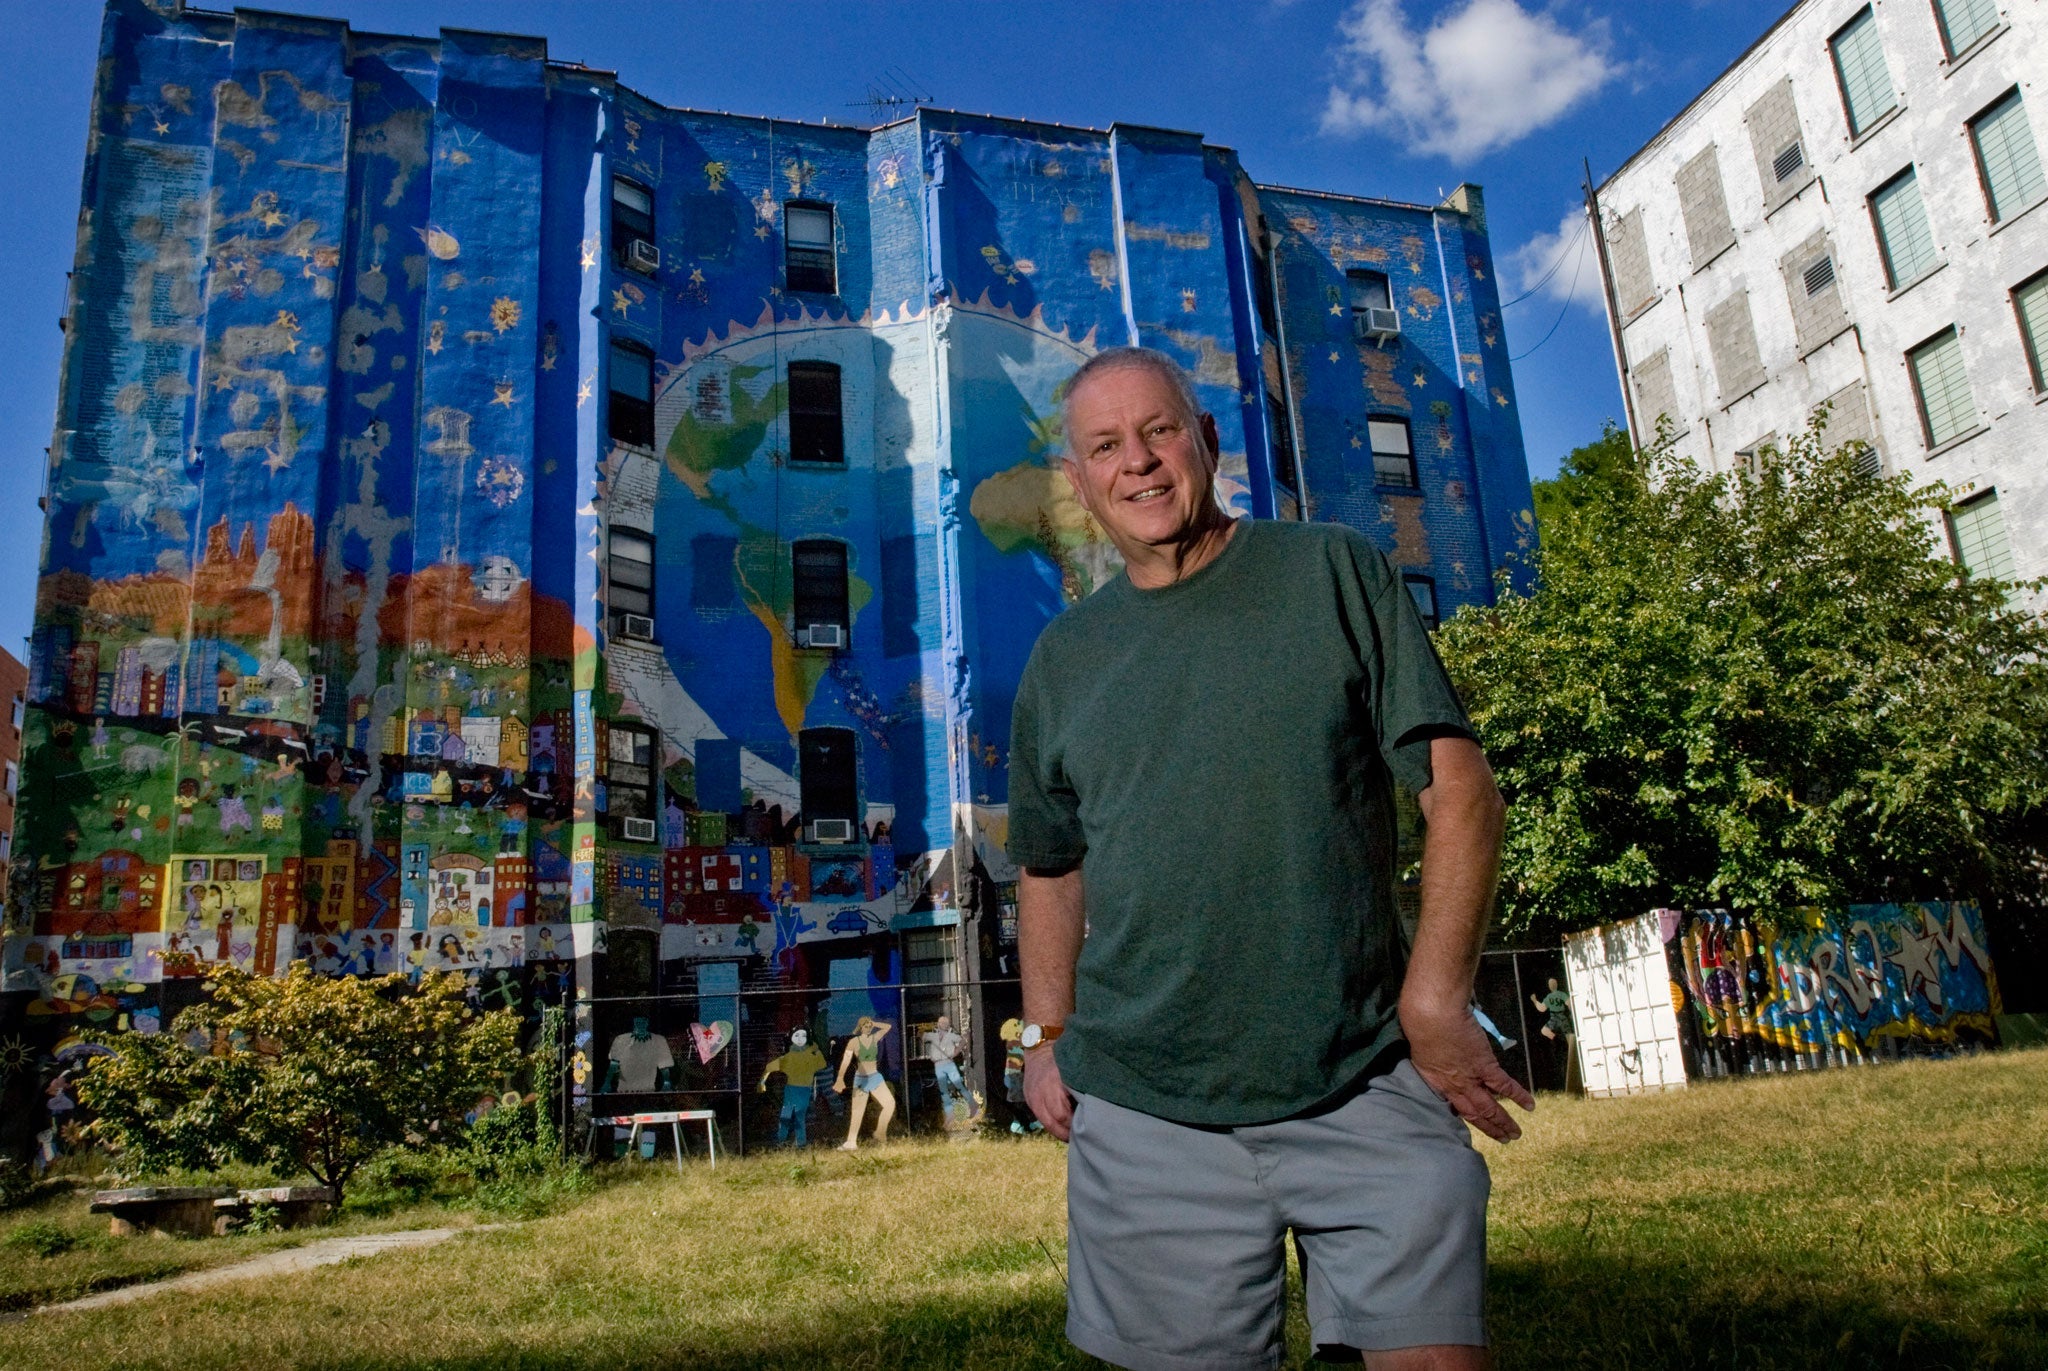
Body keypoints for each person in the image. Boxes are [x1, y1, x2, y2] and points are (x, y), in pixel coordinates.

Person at [1009, 347, 1533, 1370]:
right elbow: (1048, 866)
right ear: (1075, 484)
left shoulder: (1328, 569)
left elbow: (1458, 790)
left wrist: (1432, 1005)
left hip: (1361, 1075)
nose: (1140, 463)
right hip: (1146, 1110)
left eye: (1160, 431)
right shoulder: (1062, 659)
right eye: (1106, 446)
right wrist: (1044, 1034)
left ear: (1205, 440)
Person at [831, 1016, 895, 1150]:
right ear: (860, 1028)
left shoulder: (875, 1038)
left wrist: (875, 1023)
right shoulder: (854, 1042)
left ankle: (880, 1132)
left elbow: (888, 1027)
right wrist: (840, 1078)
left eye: (870, 1026)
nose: (868, 1028)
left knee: (890, 1104)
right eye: (866, 1026)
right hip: (861, 1078)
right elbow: (846, 1061)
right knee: (857, 1111)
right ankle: (851, 1142)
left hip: (875, 1076)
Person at [757, 1026, 828, 1147]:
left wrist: (816, 1050)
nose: (800, 1039)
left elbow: (822, 1064)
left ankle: (799, 1143)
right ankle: (783, 1140)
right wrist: (761, 1082)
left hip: (803, 1090)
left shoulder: (810, 1056)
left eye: (803, 1036)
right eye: (797, 1036)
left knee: (798, 1116)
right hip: (791, 1090)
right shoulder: (788, 1057)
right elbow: (769, 1067)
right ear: (791, 1038)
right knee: (787, 1115)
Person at [921, 1013, 973, 1119]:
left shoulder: (951, 1036)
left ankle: (973, 1106)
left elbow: (963, 1040)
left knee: (959, 1085)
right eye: (941, 1022)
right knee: (944, 1090)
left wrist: (956, 1052)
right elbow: (921, 1035)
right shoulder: (933, 1035)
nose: (943, 1024)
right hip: (938, 1065)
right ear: (938, 1024)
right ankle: (949, 1115)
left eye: (945, 1023)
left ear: (948, 1025)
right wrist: (925, 1027)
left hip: (948, 1063)